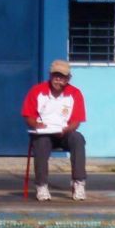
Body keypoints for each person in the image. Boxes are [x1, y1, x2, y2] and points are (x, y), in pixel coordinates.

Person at [21, 59, 87, 202]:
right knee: (41, 142)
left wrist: (67, 129)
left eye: (62, 76)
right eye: (55, 76)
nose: (58, 80)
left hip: (64, 132)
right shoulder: (37, 91)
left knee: (78, 138)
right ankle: (41, 185)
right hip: (44, 133)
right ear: (50, 76)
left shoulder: (75, 93)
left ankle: (79, 183)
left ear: (68, 78)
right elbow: (28, 116)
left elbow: (77, 121)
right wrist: (37, 125)